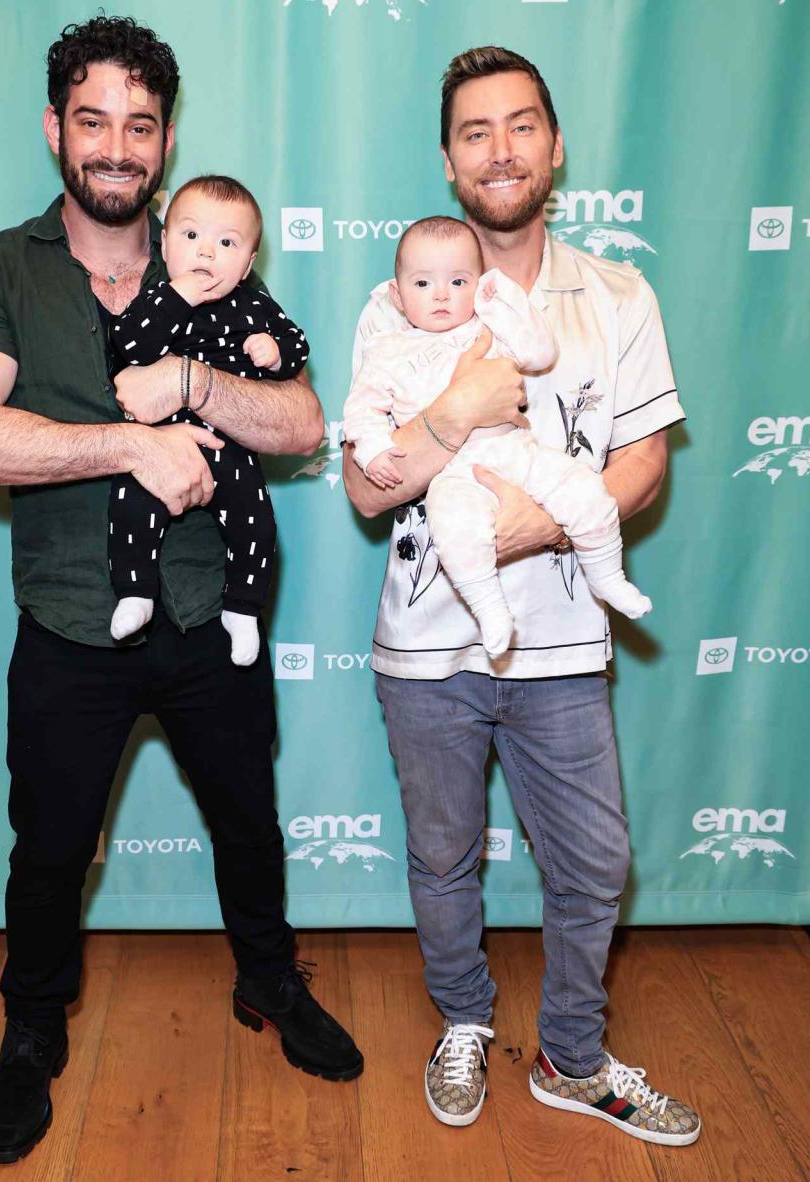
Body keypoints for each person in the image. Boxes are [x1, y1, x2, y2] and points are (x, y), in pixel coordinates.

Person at [0, 15, 361, 1167]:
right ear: (54, 128)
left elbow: (302, 421)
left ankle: (270, 985)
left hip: (215, 614)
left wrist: (193, 383)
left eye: (140, 123)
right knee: (51, 845)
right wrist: (125, 444)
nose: (116, 146)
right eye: (93, 120)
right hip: (73, 619)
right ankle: (31, 1031)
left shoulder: (214, 262)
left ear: (166, 141)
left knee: (247, 825)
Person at [344, 46, 699, 1144]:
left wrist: (533, 525)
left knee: (595, 862)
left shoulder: (616, 294)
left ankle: (573, 1058)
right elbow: (364, 487)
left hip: (561, 644)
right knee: (443, 857)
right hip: (427, 648)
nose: (500, 150)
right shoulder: (393, 302)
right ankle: (462, 1020)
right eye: (475, 133)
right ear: (449, 162)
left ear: (555, 145)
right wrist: (452, 412)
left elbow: (644, 461)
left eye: (521, 126)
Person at [343, 215, 650, 659]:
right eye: (423, 284)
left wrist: (503, 300)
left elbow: (540, 352)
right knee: (455, 532)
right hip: (452, 474)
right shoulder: (387, 349)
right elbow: (362, 409)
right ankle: (490, 611)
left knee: (585, 490)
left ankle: (608, 578)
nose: (442, 295)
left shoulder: (488, 326)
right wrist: (373, 448)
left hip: (517, 450)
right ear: (397, 295)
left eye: (459, 281)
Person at [108, 173, 309, 663]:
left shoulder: (255, 303)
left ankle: (242, 610)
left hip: (231, 447)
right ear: (165, 245)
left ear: (247, 264)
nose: (206, 253)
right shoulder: (156, 299)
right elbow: (130, 346)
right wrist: (180, 298)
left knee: (257, 524)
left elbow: (299, 345)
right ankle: (136, 593)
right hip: (159, 441)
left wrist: (276, 352)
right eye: (191, 236)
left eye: (226, 243)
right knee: (131, 505)